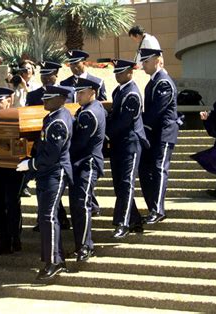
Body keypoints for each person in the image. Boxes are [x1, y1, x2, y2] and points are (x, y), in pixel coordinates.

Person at [16, 85, 73, 281]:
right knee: (48, 216)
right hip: (46, 173)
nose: (44, 101)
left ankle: (53, 262)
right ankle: (56, 259)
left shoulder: (59, 122)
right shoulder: (51, 118)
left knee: (48, 217)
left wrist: (30, 164)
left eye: (48, 98)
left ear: (61, 99)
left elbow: (51, 155)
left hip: (54, 173)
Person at [26, 61, 72, 232]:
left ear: (56, 75)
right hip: (41, 145)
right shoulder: (33, 96)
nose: (46, 78)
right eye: (43, 75)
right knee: (45, 187)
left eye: (49, 74)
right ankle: (53, 217)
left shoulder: (67, 94)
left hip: (61, 145)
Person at [138, 36, 179, 224]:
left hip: (163, 133)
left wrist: (141, 127)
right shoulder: (151, 83)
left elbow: (156, 112)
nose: (143, 65)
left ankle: (157, 210)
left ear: (157, 60)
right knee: (146, 169)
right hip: (153, 134)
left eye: (146, 61)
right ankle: (153, 207)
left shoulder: (163, 82)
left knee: (159, 169)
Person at [106, 59, 148, 239]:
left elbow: (124, 121)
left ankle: (122, 223)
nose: (117, 75)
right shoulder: (119, 91)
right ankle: (135, 220)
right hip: (119, 143)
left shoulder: (132, 94)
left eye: (121, 72)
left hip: (130, 143)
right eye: (116, 72)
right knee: (120, 184)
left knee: (126, 183)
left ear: (130, 73)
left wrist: (105, 134)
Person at [69, 77, 106, 262]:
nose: (78, 96)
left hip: (86, 163)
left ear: (92, 91)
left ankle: (85, 246)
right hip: (83, 163)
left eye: (82, 92)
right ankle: (81, 245)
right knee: (77, 205)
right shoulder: (93, 108)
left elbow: (79, 143)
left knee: (81, 206)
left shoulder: (89, 114)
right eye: (77, 92)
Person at [0, 87, 25, 255]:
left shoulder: (18, 116)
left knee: (12, 203)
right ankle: (2, 242)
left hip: (13, 168)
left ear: (9, 100)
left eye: (0, 100)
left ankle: (14, 239)